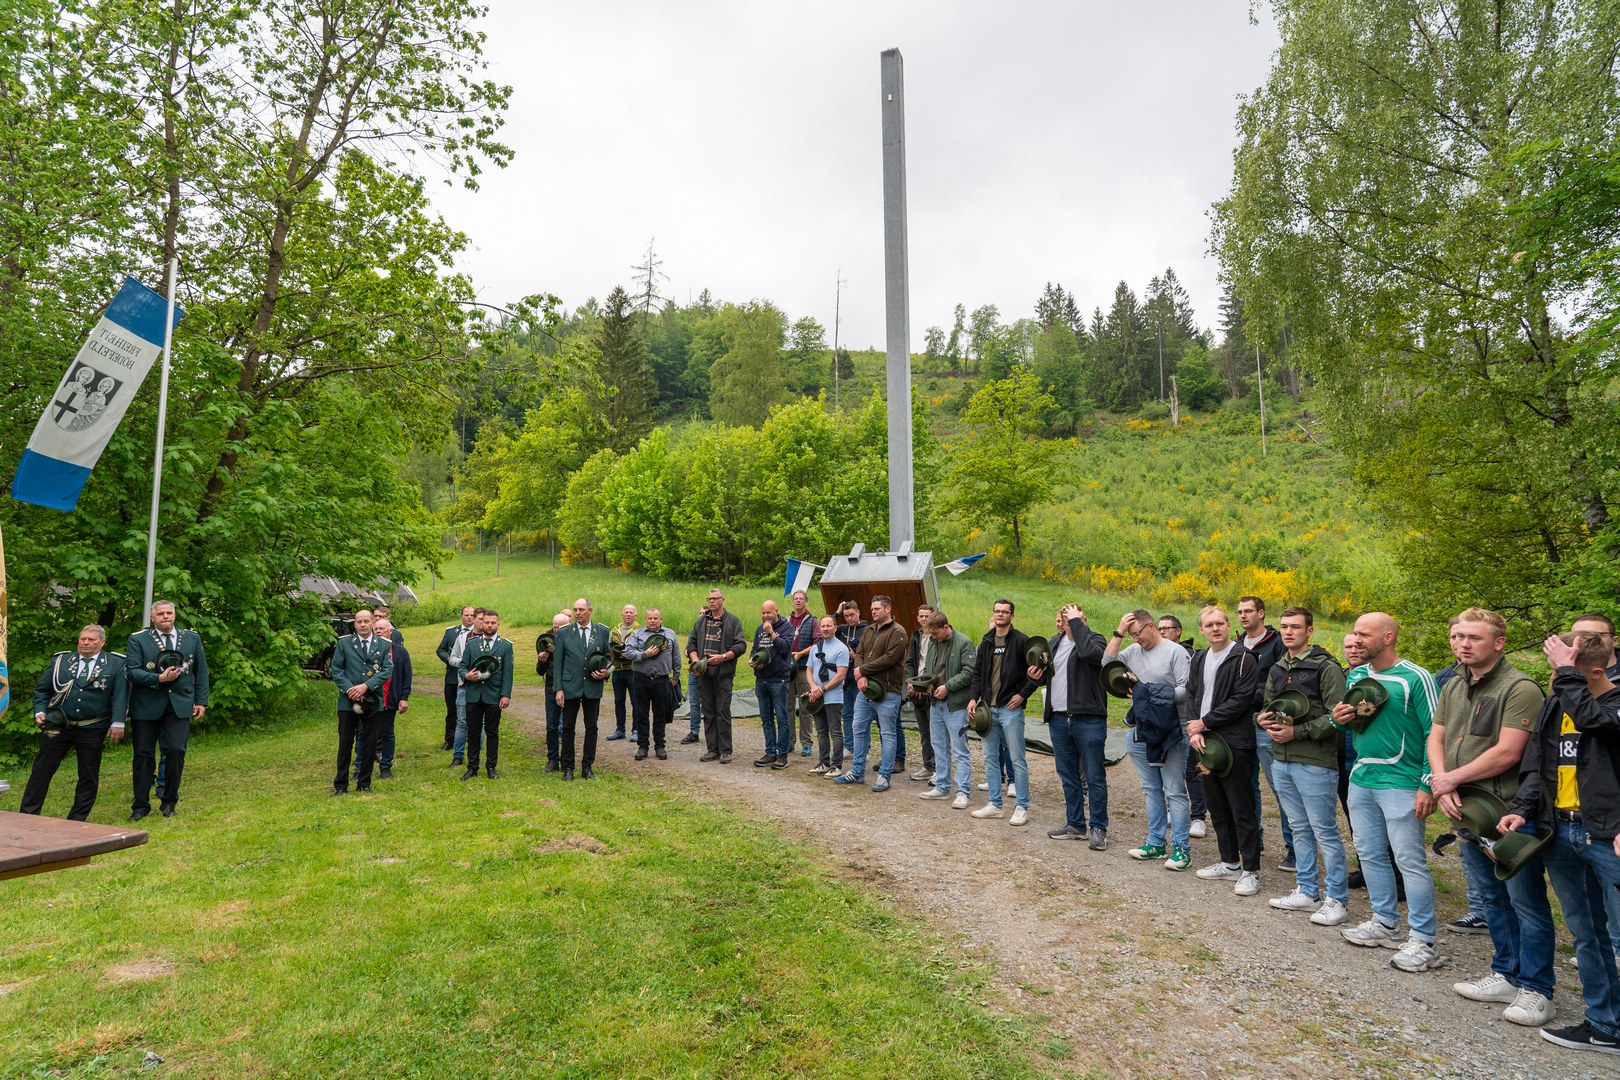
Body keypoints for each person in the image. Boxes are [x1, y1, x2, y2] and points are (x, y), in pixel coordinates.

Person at [1429, 608, 1552, 1026]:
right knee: (1491, 900)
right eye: (1457, 636)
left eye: (1474, 638)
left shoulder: (1520, 688)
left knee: (1526, 903)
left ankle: (1537, 989)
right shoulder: (1453, 683)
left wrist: (1448, 782)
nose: (1463, 644)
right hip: (1469, 810)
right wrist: (1442, 783)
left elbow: (1508, 752)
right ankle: (1505, 973)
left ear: (1499, 643)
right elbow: (1437, 736)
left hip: (1508, 813)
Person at [1501, 631, 1620, 1056]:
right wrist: (1523, 807)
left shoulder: (1609, 703)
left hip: (1608, 836)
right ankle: (1606, 1025)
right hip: (1562, 830)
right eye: (1555, 673)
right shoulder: (1559, 701)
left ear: (1597, 672)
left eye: (1563, 673)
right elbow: (1538, 765)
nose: (1554, 680)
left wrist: (1567, 675)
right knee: (1587, 933)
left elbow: (1600, 723)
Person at [1333, 612, 1443, 973]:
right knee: (1368, 853)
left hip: (1402, 781)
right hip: (1363, 777)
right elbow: (1347, 720)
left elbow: (1434, 732)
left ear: (1389, 637)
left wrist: (1428, 782)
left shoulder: (1417, 677)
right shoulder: (1358, 674)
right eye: (1355, 634)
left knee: (1409, 860)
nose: (1357, 640)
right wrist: (1337, 717)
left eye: (1365, 634)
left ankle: (1424, 941)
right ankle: (1385, 924)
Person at [1259, 606, 1350, 926]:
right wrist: (1263, 719)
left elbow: (1339, 718)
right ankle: (1307, 891)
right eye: (1284, 626)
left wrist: (1296, 732)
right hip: (1281, 760)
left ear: (1309, 631)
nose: (1288, 632)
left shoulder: (1326, 667)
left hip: (1315, 762)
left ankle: (1337, 899)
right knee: (1298, 828)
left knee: (1325, 831)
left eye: (1295, 627)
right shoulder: (1277, 667)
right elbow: (1270, 707)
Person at [1107, 609, 1193, 871]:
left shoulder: (1176, 652)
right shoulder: (1133, 651)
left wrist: (1149, 693)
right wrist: (1118, 632)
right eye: (1130, 635)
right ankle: (1156, 842)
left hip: (1171, 730)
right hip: (1141, 730)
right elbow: (1105, 665)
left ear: (1151, 627)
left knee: (1174, 790)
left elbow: (1187, 689)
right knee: (1150, 789)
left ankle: (1181, 849)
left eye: (1137, 634)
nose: (1136, 640)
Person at [1187, 606, 1262, 895]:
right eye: (1209, 625)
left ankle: (1250, 870)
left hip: (1234, 742)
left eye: (1220, 623)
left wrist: (1205, 722)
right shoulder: (1199, 658)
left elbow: (1242, 699)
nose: (1215, 628)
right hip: (1204, 742)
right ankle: (1229, 862)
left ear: (1229, 625)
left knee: (1241, 808)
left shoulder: (1244, 657)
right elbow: (1192, 693)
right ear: (1202, 630)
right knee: (1217, 806)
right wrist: (1194, 729)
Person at [20, 625, 128, 821]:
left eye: (91, 640)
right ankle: (28, 814)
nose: (85, 643)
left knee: (88, 773)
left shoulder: (115, 663)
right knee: (41, 770)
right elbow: (42, 690)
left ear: (102, 642)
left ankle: (77, 818)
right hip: (56, 723)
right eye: (82, 639)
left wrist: (118, 722)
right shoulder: (61, 661)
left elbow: (121, 695)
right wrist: (40, 711)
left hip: (92, 725)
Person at [125, 599, 209, 820]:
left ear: (174, 615)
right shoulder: (139, 640)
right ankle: (140, 805)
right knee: (143, 755)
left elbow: (200, 672)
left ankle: (169, 801)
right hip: (146, 705)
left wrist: (201, 701)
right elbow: (132, 672)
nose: (165, 617)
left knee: (175, 751)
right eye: (160, 613)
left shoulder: (191, 638)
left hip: (179, 704)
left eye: (169, 613)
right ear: (152, 618)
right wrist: (159, 678)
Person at [1041, 604, 1110, 849]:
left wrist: (1078, 626)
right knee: (1067, 774)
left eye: (1074, 619)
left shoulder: (1095, 640)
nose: (1068, 623)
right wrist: (1034, 673)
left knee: (1094, 776)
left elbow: (1093, 657)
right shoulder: (1053, 643)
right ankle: (1075, 825)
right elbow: (1045, 674)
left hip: (1088, 717)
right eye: (1065, 619)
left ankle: (1099, 828)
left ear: (1083, 620)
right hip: (1059, 718)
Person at [966, 598, 1040, 825]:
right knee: (989, 757)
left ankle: (1021, 807)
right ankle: (995, 804)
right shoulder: (987, 640)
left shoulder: (1021, 641)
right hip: (989, 709)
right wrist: (973, 698)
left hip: (1010, 709)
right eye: (997, 611)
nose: (1000, 615)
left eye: (1004, 612)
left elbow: (1038, 673)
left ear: (1012, 616)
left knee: (1017, 759)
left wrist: (1022, 695)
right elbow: (978, 673)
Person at [1236, 595, 1294, 871]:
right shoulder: (1236, 645)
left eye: (1248, 611)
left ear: (1261, 613)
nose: (1243, 616)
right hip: (1238, 726)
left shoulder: (1277, 643)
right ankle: (1252, 840)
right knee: (1246, 788)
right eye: (1239, 612)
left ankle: (1293, 847)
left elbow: (1283, 682)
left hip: (1266, 724)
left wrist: (1254, 699)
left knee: (1281, 788)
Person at [836, 595, 909, 792]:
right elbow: (859, 653)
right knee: (858, 728)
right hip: (865, 690)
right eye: (872, 608)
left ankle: (884, 776)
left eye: (877, 608)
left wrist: (863, 671)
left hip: (888, 691)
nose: (874, 612)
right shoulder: (869, 630)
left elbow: (890, 659)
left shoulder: (898, 632)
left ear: (888, 609)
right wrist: (860, 676)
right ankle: (857, 772)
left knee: (887, 733)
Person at [917, 610, 977, 810]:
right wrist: (922, 683)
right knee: (939, 746)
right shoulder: (934, 643)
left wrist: (948, 687)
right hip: (936, 704)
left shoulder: (964, 643)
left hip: (956, 705)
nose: (932, 637)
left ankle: (963, 792)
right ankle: (942, 787)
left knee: (960, 750)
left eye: (935, 633)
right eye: (930, 634)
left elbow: (969, 672)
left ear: (945, 627)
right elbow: (929, 670)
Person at [330, 608, 392, 796]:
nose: (363, 624)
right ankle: (341, 785)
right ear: (355, 624)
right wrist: (350, 689)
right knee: (346, 743)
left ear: (373, 622)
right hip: (348, 702)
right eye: (359, 622)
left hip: (372, 701)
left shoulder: (383, 645)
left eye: (366, 621)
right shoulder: (344, 644)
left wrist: (365, 686)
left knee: (369, 742)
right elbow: (337, 670)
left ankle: (364, 783)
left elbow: (387, 670)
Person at [1161, 614, 1207, 839]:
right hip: (1166, 721)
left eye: (1166, 628)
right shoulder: (1156, 654)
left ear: (1178, 631)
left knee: (1192, 770)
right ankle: (1174, 810)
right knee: (1172, 771)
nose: (1162, 632)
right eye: (1159, 628)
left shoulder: (1191, 655)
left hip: (1190, 720)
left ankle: (1198, 817)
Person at [555, 598, 611, 780]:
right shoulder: (564, 632)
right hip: (570, 685)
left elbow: (609, 658)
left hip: (592, 686)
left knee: (591, 727)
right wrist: (559, 689)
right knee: (568, 727)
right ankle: (568, 767)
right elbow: (558, 663)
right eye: (575, 610)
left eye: (581, 610)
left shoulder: (601, 631)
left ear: (590, 611)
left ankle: (587, 766)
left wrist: (605, 673)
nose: (577, 613)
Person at [688, 590, 746, 764]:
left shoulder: (732, 621)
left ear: (722, 600)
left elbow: (741, 645)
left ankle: (726, 750)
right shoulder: (701, 621)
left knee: (722, 711)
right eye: (709, 599)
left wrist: (723, 657)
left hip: (723, 675)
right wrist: (696, 660)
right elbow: (691, 642)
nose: (712, 601)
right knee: (708, 712)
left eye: (715, 599)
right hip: (704, 674)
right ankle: (712, 749)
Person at [459, 608, 514, 780]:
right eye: (487, 622)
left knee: (492, 732)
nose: (489, 625)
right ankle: (472, 767)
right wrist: (466, 675)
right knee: (473, 732)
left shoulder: (505, 646)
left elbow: (508, 673)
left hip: (494, 695)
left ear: (498, 624)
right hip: (474, 694)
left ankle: (491, 767)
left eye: (493, 623)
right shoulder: (472, 644)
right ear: (481, 623)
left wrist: (505, 695)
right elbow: (462, 666)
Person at [622, 607, 680, 760]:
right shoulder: (637, 634)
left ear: (661, 619)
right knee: (641, 714)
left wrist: (676, 676)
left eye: (656, 618)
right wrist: (644, 654)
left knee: (660, 714)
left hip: (662, 679)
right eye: (650, 618)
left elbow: (676, 657)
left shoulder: (670, 634)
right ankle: (642, 746)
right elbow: (628, 652)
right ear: (646, 619)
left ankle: (660, 746)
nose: (653, 621)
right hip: (641, 678)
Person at [751, 599, 795, 769]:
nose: (765, 616)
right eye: (763, 613)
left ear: (776, 611)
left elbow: (785, 649)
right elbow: (755, 649)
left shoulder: (787, 627)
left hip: (779, 679)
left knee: (782, 718)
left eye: (768, 612)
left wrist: (771, 633)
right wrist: (752, 659)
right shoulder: (758, 629)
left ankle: (782, 755)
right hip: (761, 678)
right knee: (766, 717)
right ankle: (770, 752)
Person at [807, 615, 850, 777]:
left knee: (835, 731)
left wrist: (822, 689)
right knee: (821, 730)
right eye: (822, 626)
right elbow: (809, 670)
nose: (825, 628)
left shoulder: (841, 648)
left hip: (833, 697)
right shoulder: (815, 648)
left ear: (835, 627)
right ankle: (823, 762)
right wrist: (813, 687)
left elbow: (840, 675)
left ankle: (836, 765)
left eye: (828, 626)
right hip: (817, 697)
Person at [370, 616, 412, 780]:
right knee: (365, 734)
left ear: (391, 632)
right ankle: (360, 767)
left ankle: (386, 766)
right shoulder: (369, 649)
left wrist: (404, 697)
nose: (379, 631)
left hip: (390, 699)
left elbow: (406, 676)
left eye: (382, 629)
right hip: (370, 701)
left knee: (387, 733)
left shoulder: (400, 652)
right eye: (377, 629)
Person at [903, 603, 939, 782]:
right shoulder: (915, 636)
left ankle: (939, 770)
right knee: (924, 730)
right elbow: (910, 662)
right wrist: (910, 682)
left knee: (936, 731)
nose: (924, 619)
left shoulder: (937, 637)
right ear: (917, 618)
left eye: (927, 616)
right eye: (921, 616)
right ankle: (927, 766)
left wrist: (929, 685)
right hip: (916, 688)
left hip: (932, 689)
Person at [435, 606, 476, 753]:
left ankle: (470, 740)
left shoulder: (479, 633)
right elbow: (440, 650)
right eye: (467, 615)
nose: (469, 617)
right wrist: (449, 660)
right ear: (461, 616)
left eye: (472, 615)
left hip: (472, 679)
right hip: (453, 677)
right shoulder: (451, 632)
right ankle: (450, 740)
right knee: (452, 710)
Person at [537, 611, 570, 771]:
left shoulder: (573, 639)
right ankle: (552, 759)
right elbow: (540, 671)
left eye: (560, 627)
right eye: (555, 627)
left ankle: (566, 760)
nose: (557, 630)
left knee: (567, 727)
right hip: (550, 688)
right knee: (551, 726)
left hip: (569, 689)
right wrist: (541, 661)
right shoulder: (546, 640)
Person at [786, 590, 818, 757]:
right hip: (787, 669)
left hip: (804, 668)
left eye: (801, 599)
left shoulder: (812, 621)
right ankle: (789, 742)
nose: (798, 601)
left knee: (805, 706)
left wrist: (801, 653)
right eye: (795, 599)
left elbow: (817, 642)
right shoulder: (786, 621)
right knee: (788, 706)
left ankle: (806, 743)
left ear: (806, 602)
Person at [834, 601, 867, 752]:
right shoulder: (841, 629)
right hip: (844, 678)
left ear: (858, 612)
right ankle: (849, 746)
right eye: (846, 616)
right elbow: (827, 625)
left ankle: (864, 748)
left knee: (861, 714)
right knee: (846, 713)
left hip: (859, 677)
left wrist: (855, 657)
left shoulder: (867, 630)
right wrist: (837, 612)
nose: (849, 618)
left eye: (852, 615)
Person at [607, 604, 640, 743]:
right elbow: (608, 651)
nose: (628, 614)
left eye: (631, 612)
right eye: (626, 612)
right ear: (622, 614)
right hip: (618, 670)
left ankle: (636, 730)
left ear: (635, 615)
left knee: (635, 701)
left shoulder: (640, 630)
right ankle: (620, 730)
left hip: (633, 669)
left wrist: (631, 654)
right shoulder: (614, 631)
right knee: (619, 701)